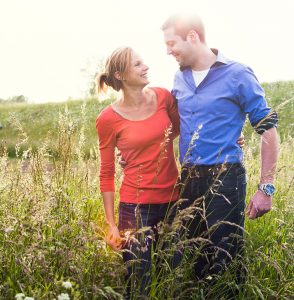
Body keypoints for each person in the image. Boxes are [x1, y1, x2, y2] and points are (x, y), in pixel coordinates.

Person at [161, 13, 279, 287]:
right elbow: (173, 127)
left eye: (171, 43)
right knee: (192, 259)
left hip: (225, 178)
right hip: (188, 178)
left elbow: (268, 129)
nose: (168, 51)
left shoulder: (238, 73)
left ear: (192, 36)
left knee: (226, 259)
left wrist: (266, 188)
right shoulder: (179, 79)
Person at [95, 46, 181, 299]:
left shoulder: (163, 97)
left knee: (171, 278)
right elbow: (106, 173)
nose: (146, 67)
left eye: (144, 63)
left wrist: (235, 137)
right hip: (135, 209)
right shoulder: (107, 119)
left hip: (174, 202)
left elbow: (182, 129)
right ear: (120, 75)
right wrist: (111, 224)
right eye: (138, 64)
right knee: (138, 283)